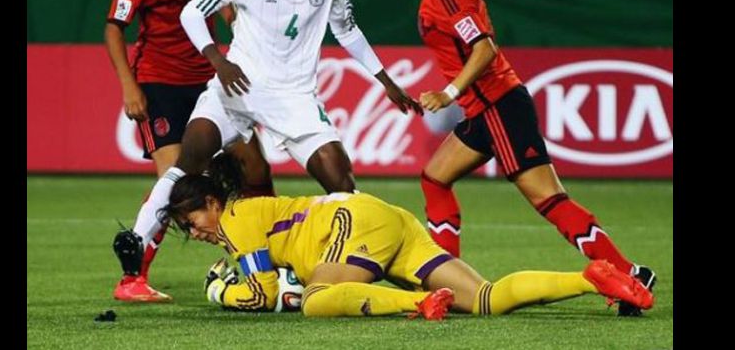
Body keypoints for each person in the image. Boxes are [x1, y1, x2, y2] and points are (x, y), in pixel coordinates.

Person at [323, 0, 656, 317]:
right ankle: (448, 279)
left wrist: (449, 93)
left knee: (549, 200)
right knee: (435, 177)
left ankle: (628, 275)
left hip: (498, 105)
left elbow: (485, 49)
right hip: (488, 109)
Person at [154, 155, 653, 318]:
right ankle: (590, 279)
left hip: (349, 223)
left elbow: (263, 292)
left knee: (316, 298)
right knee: (483, 299)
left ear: (212, 204)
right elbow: (270, 274)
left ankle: (415, 304)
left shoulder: (238, 218)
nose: (193, 232)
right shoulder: (240, 223)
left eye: (191, 221)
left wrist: (222, 292)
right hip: (385, 221)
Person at [179, 0, 422, 197]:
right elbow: (191, 12)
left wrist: (386, 80)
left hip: (294, 96)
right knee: (186, 167)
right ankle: (142, 239)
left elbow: (347, 32)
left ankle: (356, 239)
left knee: (342, 183)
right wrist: (219, 61)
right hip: (241, 86)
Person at [105, 0, 273, 303]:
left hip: (211, 79)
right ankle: (132, 278)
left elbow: (231, 2)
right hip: (160, 82)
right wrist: (130, 86)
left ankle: (273, 258)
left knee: (255, 168)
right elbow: (114, 28)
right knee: (174, 180)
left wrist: (238, 29)